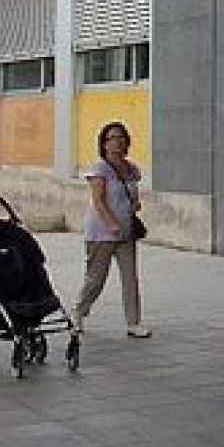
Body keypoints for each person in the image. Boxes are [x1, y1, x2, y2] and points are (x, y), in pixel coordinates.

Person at [74, 121, 149, 338]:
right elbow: (98, 200)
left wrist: (134, 206)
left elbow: (132, 195)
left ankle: (134, 323)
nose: (118, 141)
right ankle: (78, 312)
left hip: (126, 233)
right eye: (112, 138)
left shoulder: (132, 169)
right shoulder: (99, 169)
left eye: (121, 137)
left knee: (130, 278)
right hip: (101, 232)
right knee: (95, 280)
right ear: (104, 144)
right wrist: (111, 223)